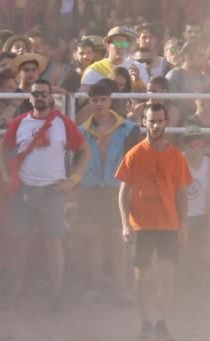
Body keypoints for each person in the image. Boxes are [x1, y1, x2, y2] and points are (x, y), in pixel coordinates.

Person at [0, 79, 91, 311]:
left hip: (52, 191)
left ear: (51, 97)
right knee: (20, 242)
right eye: (36, 93)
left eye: (44, 94)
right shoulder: (20, 123)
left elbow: (85, 149)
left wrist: (74, 179)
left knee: (54, 244)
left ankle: (56, 295)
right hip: (25, 190)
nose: (40, 97)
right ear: (30, 98)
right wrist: (6, 175)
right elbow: (2, 146)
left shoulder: (63, 123)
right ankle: (15, 292)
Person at [116, 103, 193, 341]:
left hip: (169, 223)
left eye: (160, 121)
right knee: (142, 275)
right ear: (144, 122)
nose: (156, 125)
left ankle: (162, 322)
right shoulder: (135, 154)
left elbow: (181, 194)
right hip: (142, 223)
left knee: (167, 274)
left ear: (166, 123)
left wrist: (183, 226)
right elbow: (123, 193)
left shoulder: (177, 157)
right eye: (152, 121)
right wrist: (125, 224)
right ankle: (145, 323)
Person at [77, 80, 141, 301]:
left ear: (110, 101)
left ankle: (122, 289)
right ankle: (97, 288)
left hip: (118, 189)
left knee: (118, 239)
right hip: (92, 189)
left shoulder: (129, 129)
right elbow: (77, 161)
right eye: (95, 100)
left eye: (103, 99)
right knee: (96, 239)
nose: (99, 104)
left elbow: (135, 162)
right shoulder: (82, 131)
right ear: (90, 102)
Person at [180, 125, 210, 297]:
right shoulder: (179, 160)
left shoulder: (209, 164)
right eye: (193, 145)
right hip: (182, 216)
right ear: (185, 146)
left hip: (202, 216)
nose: (197, 149)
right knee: (179, 246)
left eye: (200, 145)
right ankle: (184, 288)